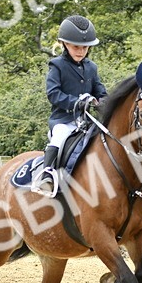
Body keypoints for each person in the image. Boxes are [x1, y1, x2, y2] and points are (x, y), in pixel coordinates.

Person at [32, 15, 107, 196]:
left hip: (85, 123)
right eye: (76, 47)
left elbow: (100, 91)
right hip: (63, 120)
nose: (81, 51)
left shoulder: (91, 67)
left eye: (84, 47)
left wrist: (103, 102)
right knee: (59, 136)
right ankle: (47, 175)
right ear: (64, 44)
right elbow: (53, 94)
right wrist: (77, 102)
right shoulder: (57, 65)